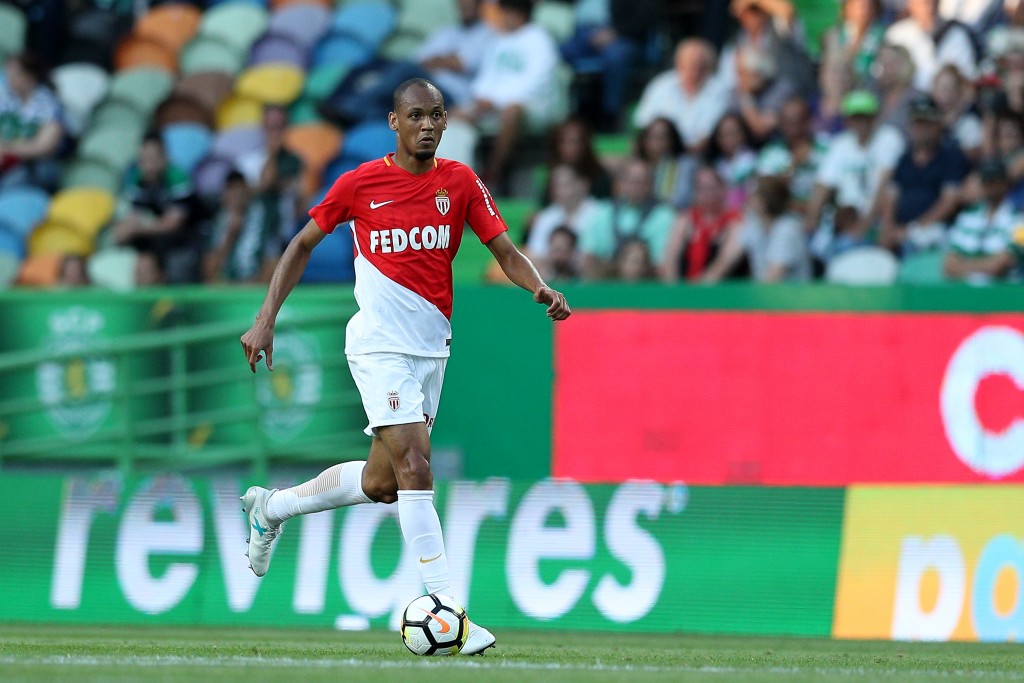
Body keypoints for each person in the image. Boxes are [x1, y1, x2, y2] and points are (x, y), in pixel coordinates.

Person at [238, 78, 570, 656]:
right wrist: (266, 318)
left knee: (383, 483)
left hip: (431, 350)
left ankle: (273, 508)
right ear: (394, 122)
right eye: (416, 115)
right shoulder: (360, 183)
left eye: (436, 115)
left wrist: (538, 287)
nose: (427, 125)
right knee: (416, 464)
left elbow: (504, 251)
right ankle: (449, 610)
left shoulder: (460, 182)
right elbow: (301, 244)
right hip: (377, 346)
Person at [454, 0, 565, 189]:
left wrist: (495, 101)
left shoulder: (540, 39)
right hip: (493, 104)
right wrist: (481, 97)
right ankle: (455, 178)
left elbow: (536, 82)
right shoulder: (499, 40)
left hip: (533, 105)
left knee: (511, 111)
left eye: (505, 12)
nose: (502, 17)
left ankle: (492, 172)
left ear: (518, 13)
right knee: (453, 114)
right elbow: (486, 77)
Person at [879, 94, 970, 255]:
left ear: (938, 124)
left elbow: (949, 202)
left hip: (935, 229)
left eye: (927, 123)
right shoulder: (905, 159)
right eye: (918, 123)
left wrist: (912, 229)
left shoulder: (951, 156)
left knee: (916, 244)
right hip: (900, 229)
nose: (922, 129)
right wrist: (889, 229)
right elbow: (891, 197)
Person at [111, 133, 197, 282]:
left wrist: (138, 229)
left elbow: (173, 224)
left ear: (165, 158)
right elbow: (132, 216)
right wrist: (122, 231)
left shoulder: (178, 177)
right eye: (144, 160)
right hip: (151, 237)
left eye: (153, 159)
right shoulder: (135, 179)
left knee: (171, 261)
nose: (149, 165)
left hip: (182, 240)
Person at [578, 157, 675, 279]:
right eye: (632, 181)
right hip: (607, 279)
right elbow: (588, 255)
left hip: (646, 280)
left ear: (651, 184)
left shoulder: (664, 215)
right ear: (621, 183)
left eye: (643, 181)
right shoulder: (602, 211)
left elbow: (661, 263)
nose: (637, 187)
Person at [632, 38, 730, 155]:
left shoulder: (720, 90)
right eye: (689, 64)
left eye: (701, 65)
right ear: (678, 64)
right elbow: (643, 124)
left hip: (704, 156)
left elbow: (712, 135)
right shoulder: (661, 85)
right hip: (659, 154)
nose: (694, 70)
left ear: (709, 67)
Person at [658, 165, 744, 283]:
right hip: (682, 289)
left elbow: (725, 261)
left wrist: (699, 289)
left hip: (718, 290)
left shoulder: (734, 223)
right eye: (701, 188)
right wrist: (673, 289)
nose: (705, 193)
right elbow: (670, 259)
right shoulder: (684, 220)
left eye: (710, 188)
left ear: (722, 189)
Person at [944, 157, 1022, 282]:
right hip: (966, 290)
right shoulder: (967, 216)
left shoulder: (1020, 220)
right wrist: (984, 266)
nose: (988, 185)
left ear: (1005, 183)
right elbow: (949, 266)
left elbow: (998, 266)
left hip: (1003, 292)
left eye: (993, 180)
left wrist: (964, 266)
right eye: (985, 180)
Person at [0, 52, 65, 191]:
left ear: (28, 77)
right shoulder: (5, 96)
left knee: (12, 183)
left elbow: (44, 147)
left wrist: (8, 149)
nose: (8, 78)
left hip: (34, 164)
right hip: (6, 158)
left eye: (14, 74)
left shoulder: (47, 103)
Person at [203, 171, 281, 284]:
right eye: (232, 190)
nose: (237, 195)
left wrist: (255, 286)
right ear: (224, 195)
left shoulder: (264, 217)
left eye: (240, 189)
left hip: (254, 286)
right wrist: (230, 234)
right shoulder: (218, 221)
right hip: (225, 286)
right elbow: (208, 271)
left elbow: (273, 259)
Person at [885, 0, 980, 91]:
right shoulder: (897, 34)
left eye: (932, 1)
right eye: (923, 2)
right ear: (910, 4)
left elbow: (966, 76)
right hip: (905, 99)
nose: (929, 6)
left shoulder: (957, 35)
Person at [416, 0, 495, 108]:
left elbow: (461, 64)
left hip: (455, 95)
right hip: (427, 84)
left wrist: (437, 60)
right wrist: (445, 60)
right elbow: (419, 61)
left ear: (479, 6)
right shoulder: (447, 31)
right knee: (405, 69)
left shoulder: (487, 33)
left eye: (469, 7)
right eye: (462, 6)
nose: (465, 10)